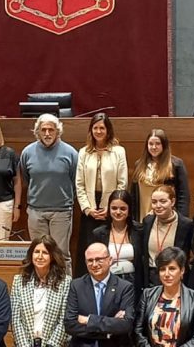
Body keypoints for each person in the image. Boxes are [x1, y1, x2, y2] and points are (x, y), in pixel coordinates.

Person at [21, 113, 78, 273]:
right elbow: (26, 178)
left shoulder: (71, 153)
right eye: (43, 130)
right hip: (35, 211)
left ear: (57, 131)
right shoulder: (27, 152)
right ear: (37, 131)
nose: (47, 133)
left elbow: (75, 181)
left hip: (61, 212)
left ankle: (65, 292)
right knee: (38, 254)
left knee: (61, 254)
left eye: (51, 130)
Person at [75, 113, 128, 277]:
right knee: (88, 246)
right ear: (91, 130)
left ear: (108, 130)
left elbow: (122, 182)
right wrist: (87, 208)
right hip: (90, 208)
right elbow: (79, 184)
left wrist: (110, 208)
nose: (98, 131)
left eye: (102, 128)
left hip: (111, 207)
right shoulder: (84, 152)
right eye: (95, 128)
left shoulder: (118, 151)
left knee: (106, 246)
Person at [64, 242, 135, 346]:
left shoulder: (124, 287)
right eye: (90, 260)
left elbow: (125, 325)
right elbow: (69, 325)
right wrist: (107, 331)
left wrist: (88, 320)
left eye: (98, 259)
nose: (94, 264)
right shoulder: (76, 285)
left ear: (110, 260)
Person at [135, 247, 194, 347]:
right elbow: (138, 331)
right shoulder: (147, 294)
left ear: (182, 270)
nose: (167, 274)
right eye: (162, 269)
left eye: (172, 269)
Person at [11, 235, 72, 347]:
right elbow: (16, 320)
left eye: (45, 253)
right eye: (36, 252)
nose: (39, 256)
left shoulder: (65, 282)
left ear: (52, 256)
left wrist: (51, 345)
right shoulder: (19, 281)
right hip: (25, 344)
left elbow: (64, 319)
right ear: (31, 254)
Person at [91, 189, 144, 297]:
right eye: (114, 208)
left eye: (123, 208)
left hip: (133, 283)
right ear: (108, 209)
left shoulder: (139, 231)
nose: (118, 212)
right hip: (107, 282)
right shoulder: (98, 233)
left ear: (129, 210)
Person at [130, 129, 190, 221]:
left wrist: (181, 220)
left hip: (167, 218)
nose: (154, 147)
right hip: (142, 217)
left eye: (158, 143)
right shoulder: (139, 164)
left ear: (164, 145)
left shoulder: (175, 164)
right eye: (150, 144)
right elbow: (134, 194)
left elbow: (183, 195)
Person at [140, 185, 193, 288]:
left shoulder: (186, 225)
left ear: (172, 202)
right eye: (154, 202)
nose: (158, 206)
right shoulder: (147, 221)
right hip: (151, 277)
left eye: (163, 201)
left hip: (175, 279)